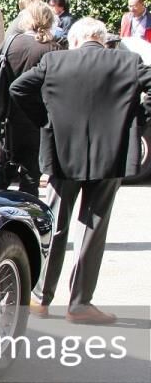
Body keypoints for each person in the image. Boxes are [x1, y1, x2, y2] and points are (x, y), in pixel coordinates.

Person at [11, 17, 151, 323]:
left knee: (56, 224)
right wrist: (137, 116)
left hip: (63, 153)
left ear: (74, 41)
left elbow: (18, 88)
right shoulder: (127, 61)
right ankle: (80, 303)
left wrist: (46, 120)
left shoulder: (54, 61)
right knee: (93, 228)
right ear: (103, 40)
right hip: (110, 155)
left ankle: (39, 297)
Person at [0, 2, 58, 196]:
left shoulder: (11, 42)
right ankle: (28, 216)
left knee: (2, 168)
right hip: (38, 117)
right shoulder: (52, 49)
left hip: (9, 115)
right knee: (31, 175)